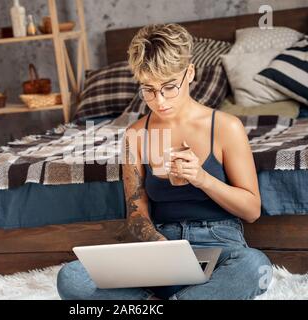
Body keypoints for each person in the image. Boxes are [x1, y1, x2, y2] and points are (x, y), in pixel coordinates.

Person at [57, 23, 272, 300]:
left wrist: (202, 178)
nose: (159, 100)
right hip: (162, 247)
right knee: (72, 277)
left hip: (219, 247)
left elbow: (252, 210)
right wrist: (158, 245)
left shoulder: (225, 127)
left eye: (169, 87)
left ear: (190, 73)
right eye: (149, 89)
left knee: (255, 266)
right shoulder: (136, 135)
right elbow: (136, 212)